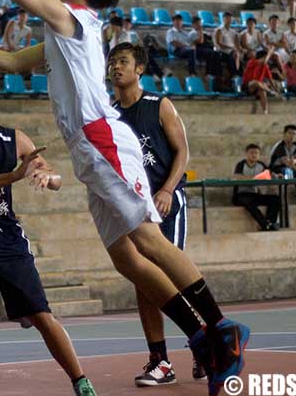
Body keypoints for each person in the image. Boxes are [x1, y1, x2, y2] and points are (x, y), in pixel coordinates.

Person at [0, 0, 251, 395]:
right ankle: (200, 337)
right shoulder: (65, 29)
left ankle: (223, 331)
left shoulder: (71, 16)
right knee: (126, 258)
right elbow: (14, 61)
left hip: (103, 140)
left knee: (149, 241)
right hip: (89, 150)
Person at [0, 70, 95, 396]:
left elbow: (53, 175)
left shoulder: (14, 138)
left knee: (41, 314)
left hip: (5, 237)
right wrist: (13, 176)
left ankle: (80, 380)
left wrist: (46, 179)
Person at [108, 43, 205, 385]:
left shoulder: (159, 104)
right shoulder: (108, 112)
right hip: (132, 206)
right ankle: (161, 359)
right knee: (144, 280)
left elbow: (182, 151)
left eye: (123, 61)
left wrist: (166, 190)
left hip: (166, 202)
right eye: (112, 62)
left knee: (168, 275)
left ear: (139, 70)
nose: (115, 67)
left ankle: (200, 341)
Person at [231, 145, 280, 231]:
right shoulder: (241, 164)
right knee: (249, 203)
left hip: (254, 194)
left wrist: (276, 176)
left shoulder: (261, 165)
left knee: (275, 199)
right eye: (252, 153)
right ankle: (265, 225)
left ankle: (270, 222)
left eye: (256, 153)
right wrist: (254, 178)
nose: (254, 155)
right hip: (240, 195)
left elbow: (269, 175)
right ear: (247, 154)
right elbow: (237, 176)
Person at [241, 49, 278, 115]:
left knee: (262, 91)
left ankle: (265, 111)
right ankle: (270, 91)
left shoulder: (265, 66)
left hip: (259, 87)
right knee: (256, 82)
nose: (267, 59)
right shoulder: (252, 62)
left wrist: (275, 88)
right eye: (265, 57)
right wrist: (269, 53)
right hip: (247, 86)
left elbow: (270, 79)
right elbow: (263, 62)